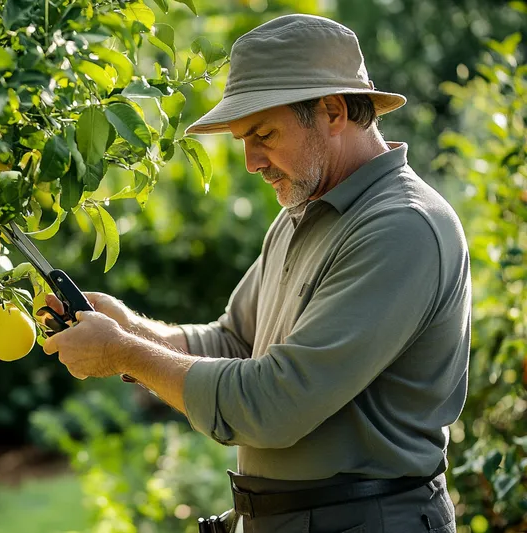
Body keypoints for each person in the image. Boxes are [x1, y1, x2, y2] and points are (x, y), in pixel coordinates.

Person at [42, 13, 470, 533]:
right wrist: (130, 328)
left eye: (263, 133)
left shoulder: (402, 229)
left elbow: (274, 403)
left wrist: (125, 352)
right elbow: (233, 341)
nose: (250, 161)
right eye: (244, 137)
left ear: (332, 111)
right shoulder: (302, 214)